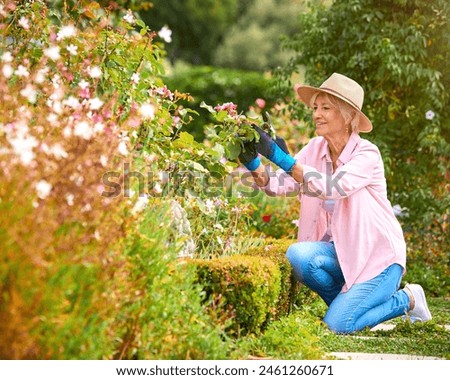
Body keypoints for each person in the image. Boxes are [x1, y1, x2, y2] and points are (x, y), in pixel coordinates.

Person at [238, 73, 432, 334]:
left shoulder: (367, 155)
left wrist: (281, 157)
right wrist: (253, 161)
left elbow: (334, 186)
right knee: (298, 255)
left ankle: (407, 298)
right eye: (315, 107)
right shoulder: (315, 148)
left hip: (379, 260)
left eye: (326, 108)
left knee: (337, 325)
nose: (317, 114)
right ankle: (354, 309)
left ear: (349, 116)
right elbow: (278, 186)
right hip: (342, 255)